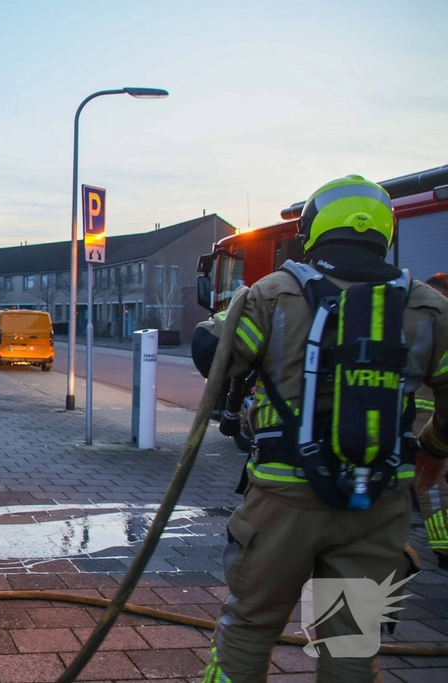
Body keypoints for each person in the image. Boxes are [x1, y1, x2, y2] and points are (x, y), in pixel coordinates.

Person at [191, 175, 448, 683]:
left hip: (284, 500)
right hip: (377, 503)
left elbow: (212, 355)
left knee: (249, 628)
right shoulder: (427, 307)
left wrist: (223, 318)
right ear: (383, 231)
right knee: (350, 642)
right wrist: (433, 447)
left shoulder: (273, 293)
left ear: (313, 229)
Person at [416, 272, 448, 568]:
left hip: (428, 418)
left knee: (431, 480)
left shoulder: (430, 321)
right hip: (431, 417)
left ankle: (444, 544)